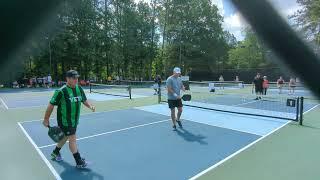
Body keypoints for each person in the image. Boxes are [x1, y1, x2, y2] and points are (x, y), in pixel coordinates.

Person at [42, 70, 95, 168]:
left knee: (65, 137)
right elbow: (51, 105)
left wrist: (90, 106)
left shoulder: (79, 88)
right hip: (65, 121)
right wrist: (46, 119)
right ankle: (78, 161)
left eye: (77, 78)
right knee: (72, 139)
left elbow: (83, 100)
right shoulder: (61, 91)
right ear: (67, 79)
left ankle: (55, 152)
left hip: (74, 120)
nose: (76, 80)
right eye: (73, 78)